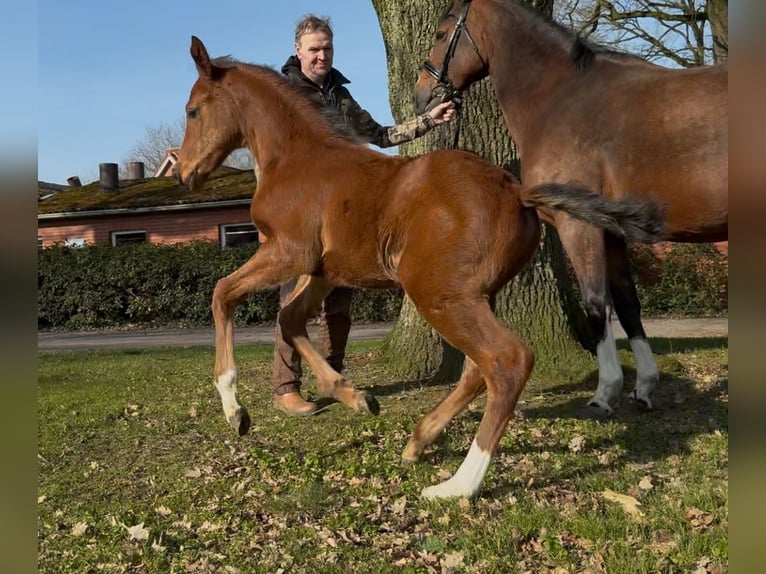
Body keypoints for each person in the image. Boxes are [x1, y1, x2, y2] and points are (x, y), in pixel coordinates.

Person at [272, 14, 457, 416]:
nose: (322, 55)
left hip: (343, 212)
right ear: (298, 51)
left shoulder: (340, 94)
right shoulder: (283, 94)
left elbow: (380, 135)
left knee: (338, 302)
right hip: (301, 211)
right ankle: (285, 388)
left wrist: (428, 120)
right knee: (295, 298)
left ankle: (333, 378)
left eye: (327, 48)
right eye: (314, 49)